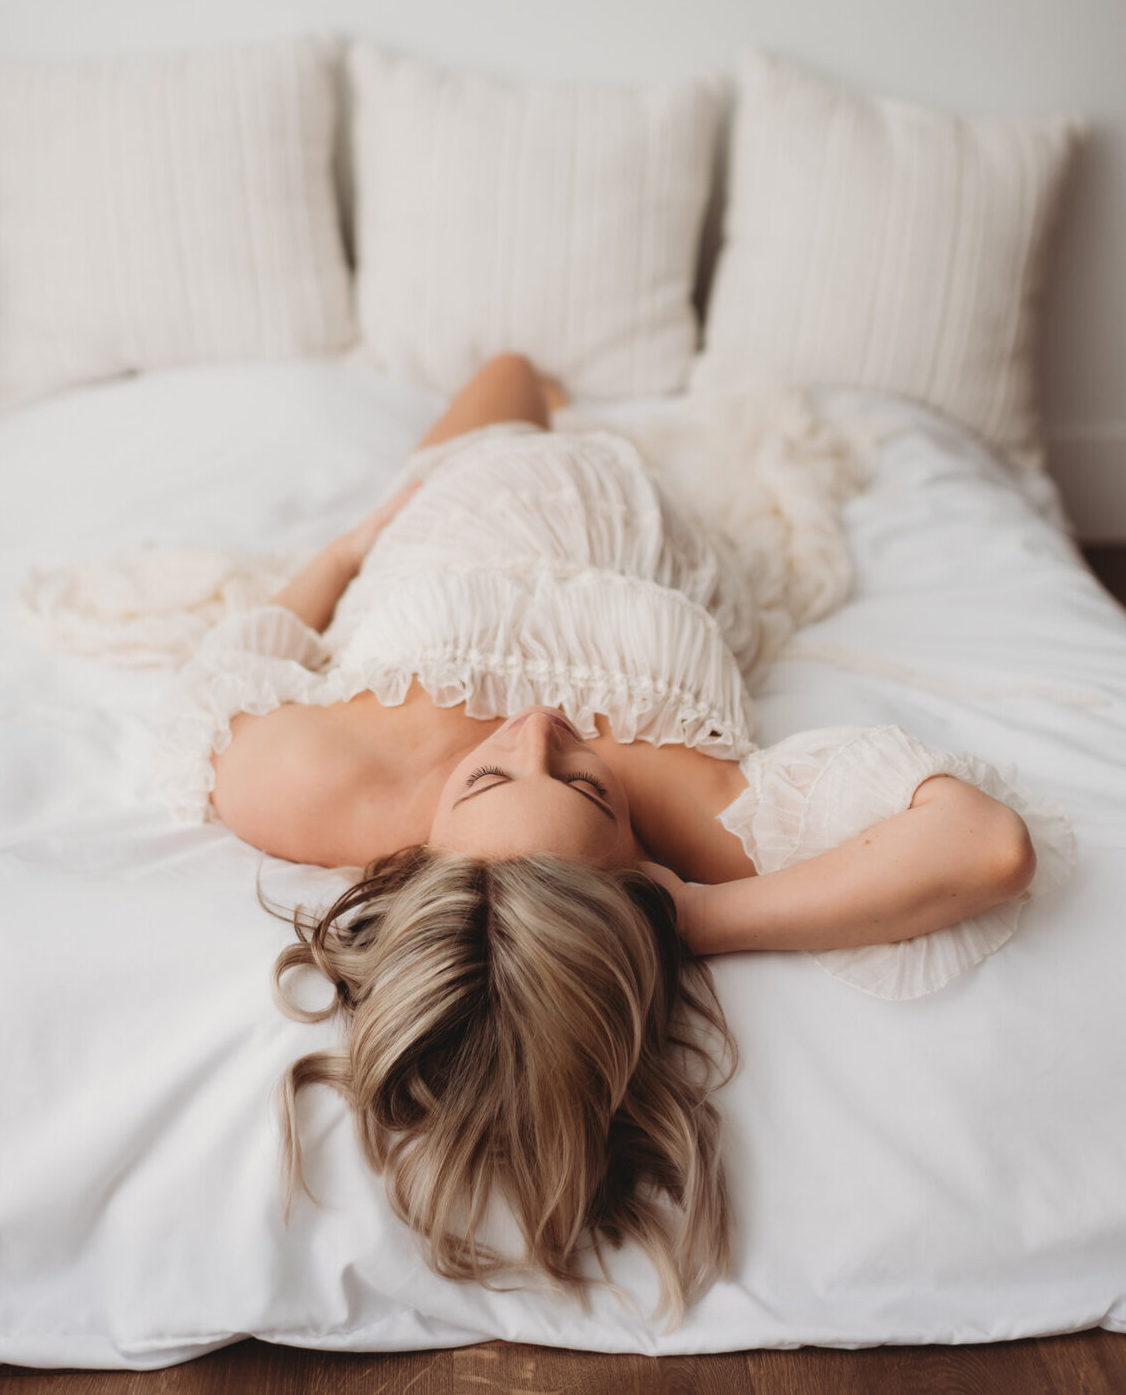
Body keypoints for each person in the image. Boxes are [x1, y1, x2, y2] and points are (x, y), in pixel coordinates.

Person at [150, 352, 1074, 1319]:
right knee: (518, 372)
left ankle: (552, 400)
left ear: (424, 857)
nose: (541, 725)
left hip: (470, 493)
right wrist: (702, 917)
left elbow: (220, 679)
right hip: (623, 511)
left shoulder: (319, 786)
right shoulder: (695, 812)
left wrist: (343, 556)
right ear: (631, 857)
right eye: (585, 786)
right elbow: (985, 846)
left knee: (511, 370)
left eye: (493, 776)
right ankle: (566, 404)